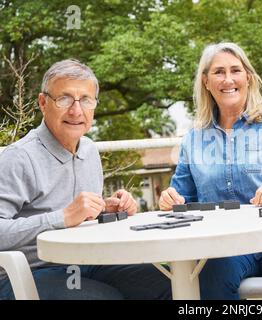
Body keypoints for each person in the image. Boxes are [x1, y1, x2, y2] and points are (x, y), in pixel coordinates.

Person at [158, 42, 262, 299]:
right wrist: (170, 198)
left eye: (235, 70)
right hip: (224, 244)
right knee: (205, 278)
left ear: (248, 76)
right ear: (206, 81)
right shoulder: (193, 138)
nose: (228, 79)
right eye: (218, 72)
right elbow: (182, 198)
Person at [0, 59, 171, 300]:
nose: (76, 111)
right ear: (43, 103)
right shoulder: (19, 158)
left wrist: (104, 208)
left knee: (169, 283)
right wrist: (62, 217)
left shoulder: (89, 150)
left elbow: (77, 216)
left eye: (86, 100)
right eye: (64, 99)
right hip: (30, 272)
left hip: (88, 261)